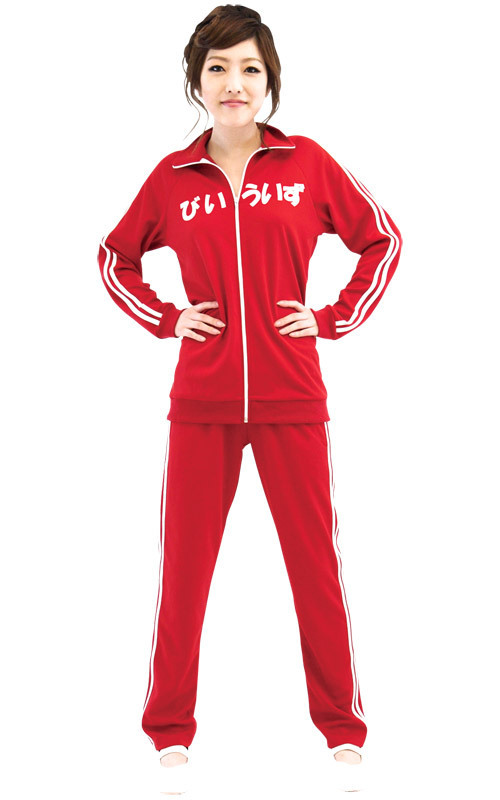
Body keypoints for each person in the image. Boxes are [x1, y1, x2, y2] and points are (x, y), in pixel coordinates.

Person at [97, 4, 402, 794]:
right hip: (200, 404)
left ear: (269, 81)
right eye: (219, 68)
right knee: (183, 573)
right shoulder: (172, 178)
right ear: (197, 81)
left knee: (315, 567)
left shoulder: (308, 164)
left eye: (250, 69)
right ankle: (169, 730)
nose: (234, 83)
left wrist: (331, 318)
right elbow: (114, 257)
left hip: (292, 396)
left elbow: (382, 240)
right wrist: (168, 318)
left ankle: (342, 729)